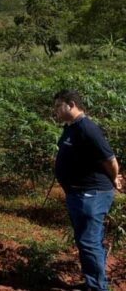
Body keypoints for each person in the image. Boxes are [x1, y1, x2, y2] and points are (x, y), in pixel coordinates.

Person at [53, 89, 122, 291]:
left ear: (71, 105)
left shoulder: (87, 128)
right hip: (78, 193)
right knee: (87, 240)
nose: (55, 110)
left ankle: (97, 288)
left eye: (59, 106)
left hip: (91, 194)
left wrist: (113, 178)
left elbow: (110, 160)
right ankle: (93, 283)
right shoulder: (71, 127)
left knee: (89, 241)